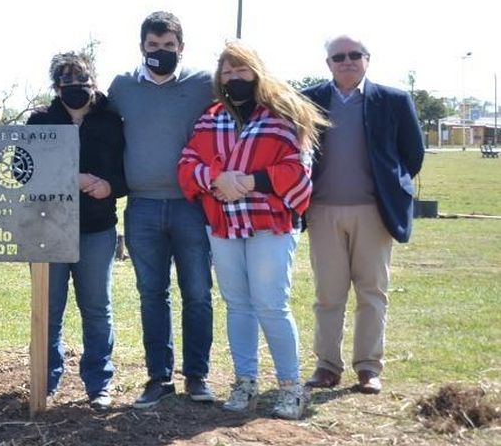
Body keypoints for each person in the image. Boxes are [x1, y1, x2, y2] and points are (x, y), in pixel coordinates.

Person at [178, 41, 326, 420]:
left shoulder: (282, 116)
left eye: (241, 70)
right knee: (238, 304)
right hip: (224, 223)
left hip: (269, 223)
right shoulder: (212, 117)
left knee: (271, 304)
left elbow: (297, 170)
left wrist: (248, 181)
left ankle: (291, 387)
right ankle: (245, 381)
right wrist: (217, 179)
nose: (234, 78)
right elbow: (188, 163)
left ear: (257, 72)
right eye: (227, 72)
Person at [302, 36, 425, 395]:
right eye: (338, 56)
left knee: (372, 292)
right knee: (328, 294)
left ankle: (369, 368)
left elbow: (412, 154)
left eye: (355, 55)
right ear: (328, 64)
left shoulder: (394, 100)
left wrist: (391, 188)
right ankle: (327, 366)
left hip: (373, 212)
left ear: (368, 59)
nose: (347, 61)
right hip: (321, 212)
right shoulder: (309, 100)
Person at [106, 11, 217, 408]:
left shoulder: (205, 84)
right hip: (142, 208)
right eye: (153, 46)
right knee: (152, 294)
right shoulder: (121, 87)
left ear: (181, 48)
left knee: (198, 293)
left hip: (192, 205)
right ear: (142, 48)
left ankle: (198, 377)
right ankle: (158, 377)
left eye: (169, 46)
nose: (161, 52)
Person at [26, 52, 126, 410]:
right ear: (56, 87)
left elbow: (126, 171)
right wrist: (72, 179)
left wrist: (110, 186)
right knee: (48, 308)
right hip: (47, 229)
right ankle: (47, 378)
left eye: (82, 82)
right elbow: (24, 173)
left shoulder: (112, 122)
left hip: (97, 227)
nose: (75, 89)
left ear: (93, 83)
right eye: (66, 84)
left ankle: (99, 381)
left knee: (97, 307)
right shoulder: (39, 122)